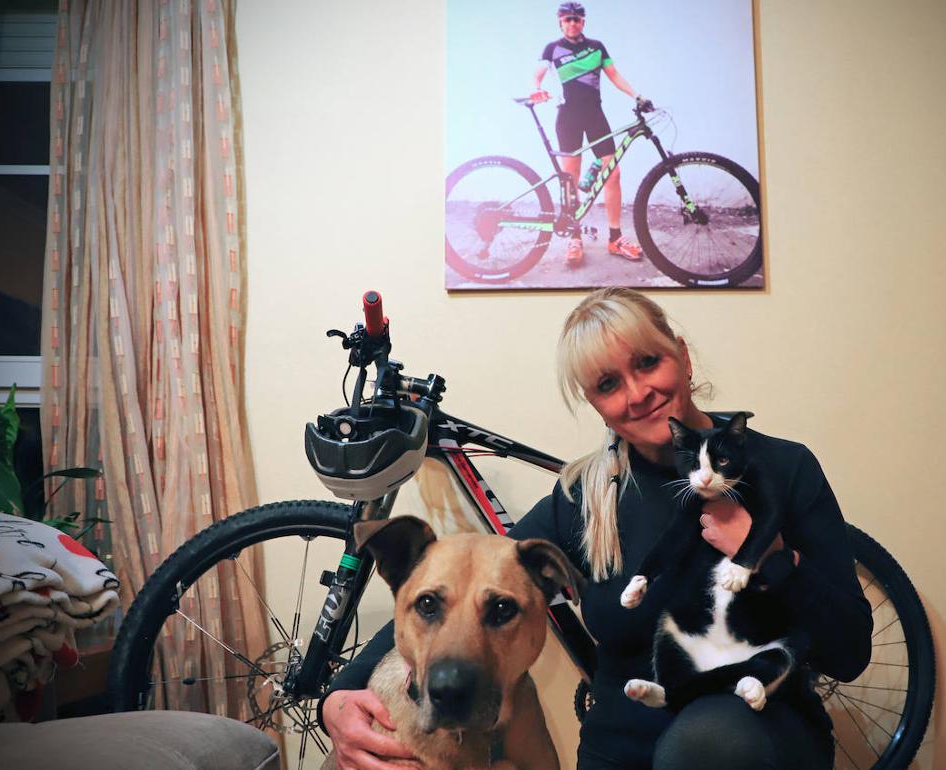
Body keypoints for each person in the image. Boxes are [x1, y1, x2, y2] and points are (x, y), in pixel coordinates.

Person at [319, 287, 873, 770]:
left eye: (648, 363)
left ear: (680, 355)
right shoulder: (583, 499)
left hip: (752, 734)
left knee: (703, 744)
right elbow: (447, 592)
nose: (637, 394)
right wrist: (340, 697)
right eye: (610, 384)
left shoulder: (784, 469)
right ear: (596, 405)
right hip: (620, 747)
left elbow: (850, 654)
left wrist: (772, 561)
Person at [529, 2, 646, 267]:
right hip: (568, 118)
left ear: (584, 22)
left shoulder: (597, 46)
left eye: (577, 19)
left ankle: (615, 238)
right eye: (568, 19)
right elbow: (538, 75)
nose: (573, 23)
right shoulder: (552, 48)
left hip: (595, 115)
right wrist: (535, 88)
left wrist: (637, 96)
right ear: (560, 22)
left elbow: (614, 75)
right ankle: (574, 237)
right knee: (571, 180)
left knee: (613, 174)